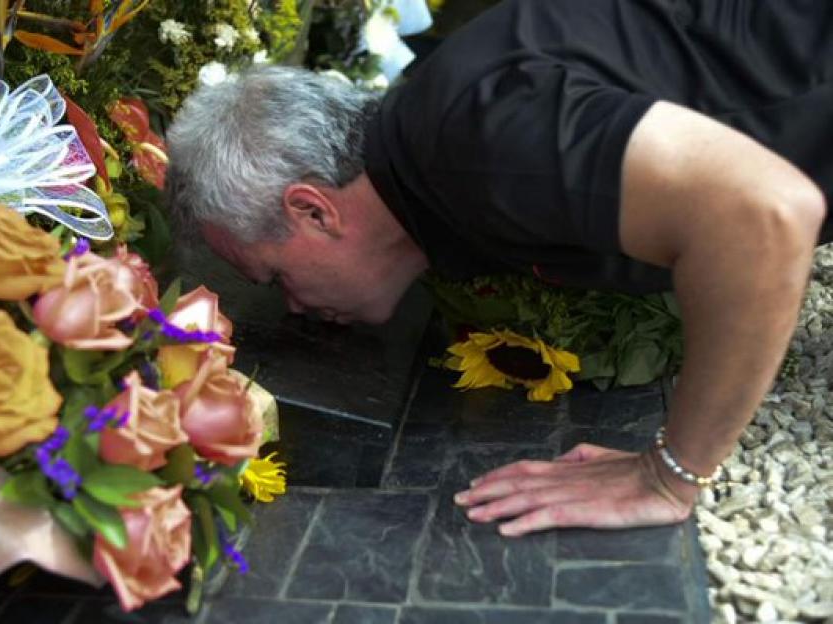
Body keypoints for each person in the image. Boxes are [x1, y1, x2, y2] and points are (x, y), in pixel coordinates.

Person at [166, 0, 832, 538]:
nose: (293, 306)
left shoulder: (484, 138)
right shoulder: (439, 149)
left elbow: (767, 215)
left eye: (275, 276)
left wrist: (668, 473)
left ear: (313, 210)